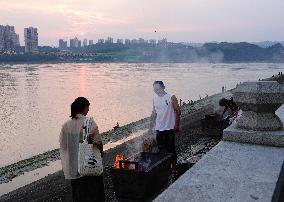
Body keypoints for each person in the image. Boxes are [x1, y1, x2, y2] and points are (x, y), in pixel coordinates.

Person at [59, 97, 105, 202]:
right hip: (89, 164)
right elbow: (98, 142)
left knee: (78, 193)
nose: (88, 110)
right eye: (88, 107)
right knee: (94, 193)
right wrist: (101, 153)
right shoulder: (89, 122)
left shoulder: (66, 125)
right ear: (83, 108)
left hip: (74, 167)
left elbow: (63, 146)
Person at [149, 81, 181, 173]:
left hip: (169, 128)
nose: (156, 91)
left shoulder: (171, 97)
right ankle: (165, 168)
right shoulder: (155, 98)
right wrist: (150, 127)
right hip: (158, 129)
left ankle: (174, 169)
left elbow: (178, 111)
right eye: (155, 89)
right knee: (161, 150)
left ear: (163, 87)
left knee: (171, 150)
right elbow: (154, 113)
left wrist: (177, 125)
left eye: (158, 89)